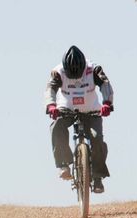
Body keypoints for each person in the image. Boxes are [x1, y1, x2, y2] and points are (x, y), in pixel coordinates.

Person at [44, 45, 114, 193]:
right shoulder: (58, 72)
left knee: (97, 138)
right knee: (56, 127)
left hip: (92, 110)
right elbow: (50, 88)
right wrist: (51, 105)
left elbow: (105, 85)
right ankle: (63, 165)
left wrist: (107, 103)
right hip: (66, 109)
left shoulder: (94, 69)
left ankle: (97, 178)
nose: (75, 77)